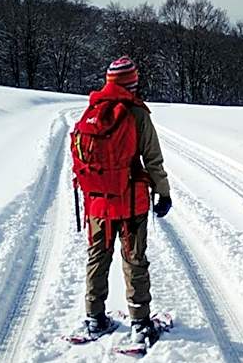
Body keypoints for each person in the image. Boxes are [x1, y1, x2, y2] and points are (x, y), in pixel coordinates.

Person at [69, 56, 173, 346]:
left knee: (98, 257)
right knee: (134, 260)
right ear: (132, 84)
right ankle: (140, 324)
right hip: (130, 203)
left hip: (97, 202)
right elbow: (153, 159)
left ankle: (94, 318)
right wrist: (163, 193)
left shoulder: (92, 110)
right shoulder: (137, 114)